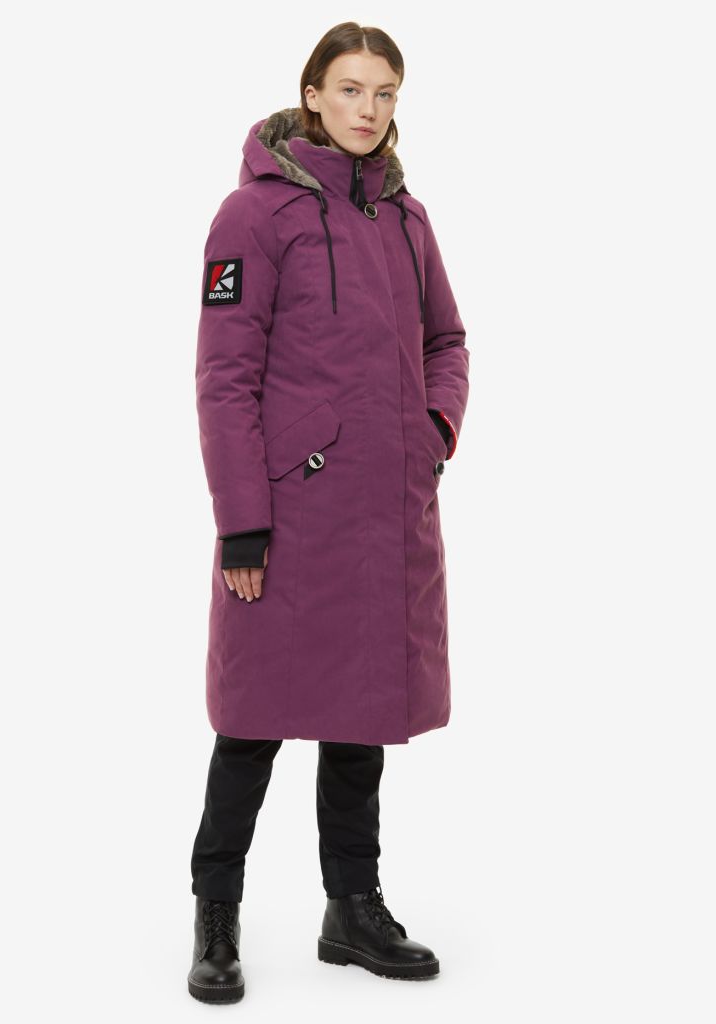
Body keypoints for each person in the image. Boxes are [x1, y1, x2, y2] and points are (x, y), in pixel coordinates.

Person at [188, 22, 470, 1003]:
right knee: (251, 724)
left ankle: (352, 908)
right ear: (312, 94)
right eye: (350, 89)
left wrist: (433, 429)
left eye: (384, 93)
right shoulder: (251, 216)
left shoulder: (406, 218)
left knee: (361, 720)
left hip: (385, 513)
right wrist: (242, 521)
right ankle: (215, 915)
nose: (367, 109)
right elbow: (224, 378)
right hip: (287, 515)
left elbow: (448, 340)